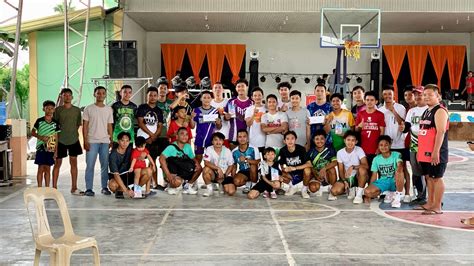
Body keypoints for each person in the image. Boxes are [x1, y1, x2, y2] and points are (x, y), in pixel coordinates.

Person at [416, 84, 449, 215]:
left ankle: (437, 206)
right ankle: (430, 203)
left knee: (437, 178)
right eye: (425, 94)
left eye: (430, 94)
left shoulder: (440, 110)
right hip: (425, 153)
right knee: (429, 177)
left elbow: (440, 132)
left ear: (438, 96)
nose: (426, 97)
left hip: (436, 153)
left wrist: (436, 152)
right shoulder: (427, 111)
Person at [378, 85, 410, 202]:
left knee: (402, 168)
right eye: (385, 94)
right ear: (382, 95)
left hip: (400, 143)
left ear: (393, 95)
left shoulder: (400, 107)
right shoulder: (380, 110)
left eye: (389, 94)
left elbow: (403, 123)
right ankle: (385, 191)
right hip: (386, 145)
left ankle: (406, 193)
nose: (387, 96)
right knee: (384, 168)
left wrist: (393, 111)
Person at [83, 86, 114, 196]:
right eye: (98, 93)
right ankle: (89, 188)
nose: (100, 95)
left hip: (105, 141)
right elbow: (85, 126)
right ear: (94, 94)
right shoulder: (88, 108)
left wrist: (111, 139)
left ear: (105, 95)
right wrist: (85, 140)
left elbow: (109, 125)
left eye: (103, 93)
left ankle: (104, 187)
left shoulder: (109, 109)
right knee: (90, 165)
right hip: (92, 141)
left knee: (104, 165)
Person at [52, 88, 83, 195]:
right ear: (62, 97)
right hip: (61, 141)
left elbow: (78, 124)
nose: (67, 97)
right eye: (65, 95)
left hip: (74, 139)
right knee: (57, 164)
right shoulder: (57, 110)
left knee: (73, 163)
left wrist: (72, 132)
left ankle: (74, 187)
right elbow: (55, 126)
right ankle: (54, 188)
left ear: (72, 97)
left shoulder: (77, 110)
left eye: (69, 95)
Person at [403, 86, 428, 206]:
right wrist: (403, 128)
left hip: (427, 145)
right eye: (416, 95)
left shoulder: (430, 109)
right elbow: (407, 127)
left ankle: (433, 197)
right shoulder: (411, 111)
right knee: (416, 171)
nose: (418, 97)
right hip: (414, 144)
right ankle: (420, 196)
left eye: (420, 94)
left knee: (429, 173)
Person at [364, 135, 405, 208]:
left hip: (395, 180)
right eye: (381, 145)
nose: (384, 147)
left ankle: (397, 197)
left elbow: (400, 165)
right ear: (378, 146)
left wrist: (397, 171)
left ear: (390, 145)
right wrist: (370, 190)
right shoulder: (376, 159)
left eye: (386, 145)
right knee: (367, 192)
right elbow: (374, 175)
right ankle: (389, 193)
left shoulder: (397, 154)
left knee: (399, 171)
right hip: (384, 181)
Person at [108, 132, 153, 199]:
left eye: (127, 141)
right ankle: (122, 190)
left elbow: (139, 152)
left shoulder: (130, 149)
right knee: (112, 185)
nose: (125, 143)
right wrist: (126, 191)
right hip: (119, 177)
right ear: (118, 141)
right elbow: (116, 175)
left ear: (129, 142)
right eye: (122, 140)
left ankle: (136, 190)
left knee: (149, 171)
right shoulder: (113, 155)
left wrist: (143, 154)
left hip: (130, 175)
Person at [159, 127, 202, 195]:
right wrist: (168, 174)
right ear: (177, 136)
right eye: (182, 134)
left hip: (183, 169)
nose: (184, 136)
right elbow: (161, 159)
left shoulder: (188, 146)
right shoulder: (171, 147)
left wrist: (197, 164)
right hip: (173, 171)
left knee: (199, 168)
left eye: (186, 134)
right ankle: (171, 186)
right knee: (177, 182)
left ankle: (188, 186)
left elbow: (193, 158)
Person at [136, 86, 164, 188]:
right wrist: (150, 135)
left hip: (154, 140)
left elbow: (160, 126)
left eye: (154, 95)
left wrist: (154, 136)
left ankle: (154, 184)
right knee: (139, 161)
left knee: (153, 161)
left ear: (157, 97)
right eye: (150, 95)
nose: (152, 97)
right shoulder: (142, 107)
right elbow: (140, 122)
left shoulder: (159, 110)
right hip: (142, 139)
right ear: (147, 96)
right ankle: (136, 184)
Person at [332, 130, 369, 204]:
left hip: (358, 176)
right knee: (334, 191)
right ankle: (351, 188)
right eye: (348, 140)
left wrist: (353, 167)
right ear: (344, 140)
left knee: (362, 169)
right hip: (347, 177)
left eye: (353, 140)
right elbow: (341, 170)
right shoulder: (340, 152)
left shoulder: (359, 150)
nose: (350, 142)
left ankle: (358, 195)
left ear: (356, 142)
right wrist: (344, 181)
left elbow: (366, 165)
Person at [31, 100, 60, 187]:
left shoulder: (55, 123)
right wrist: (40, 137)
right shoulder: (39, 121)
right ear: (43, 109)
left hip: (50, 148)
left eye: (51, 108)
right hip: (41, 148)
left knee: (48, 169)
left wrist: (56, 151)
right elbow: (32, 132)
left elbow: (56, 137)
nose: (49, 110)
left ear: (54, 110)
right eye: (47, 108)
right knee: (40, 168)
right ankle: (39, 188)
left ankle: (47, 188)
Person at [355, 91, 385, 168]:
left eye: (372, 100)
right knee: (364, 170)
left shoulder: (380, 114)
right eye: (367, 100)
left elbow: (382, 132)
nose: (369, 102)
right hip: (362, 148)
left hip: (375, 148)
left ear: (376, 101)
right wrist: (359, 127)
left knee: (375, 170)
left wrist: (379, 147)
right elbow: (356, 131)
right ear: (364, 101)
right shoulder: (360, 114)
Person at [278, 131, 313, 198]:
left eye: (292, 138)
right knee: (278, 173)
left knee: (308, 170)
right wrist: (285, 168)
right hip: (290, 174)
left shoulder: (301, 149)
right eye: (287, 139)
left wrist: (295, 168)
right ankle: (292, 187)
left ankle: (304, 190)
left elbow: (309, 164)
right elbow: (281, 165)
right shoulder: (282, 150)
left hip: (301, 173)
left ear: (295, 140)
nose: (290, 141)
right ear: (284, 141)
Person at [307, 130, 338, 200]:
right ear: (313, 140)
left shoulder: (330, 149)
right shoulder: (311, 151)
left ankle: (331, 190)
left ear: (325, 139)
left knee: (332, 169)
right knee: (313, 188)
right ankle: (320, 186)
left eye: (322, 138)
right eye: (317, 139)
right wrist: (315, 174)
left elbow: (335, 162)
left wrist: (324, 168)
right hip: (316, 175)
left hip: (327, 174)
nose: (319, 141)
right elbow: (309, 165)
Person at [154, 77, 174, 189]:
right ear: (157, 90)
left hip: (165, 136)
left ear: (167, 91)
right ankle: (154, 183)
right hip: (154, 136)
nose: (162, 90)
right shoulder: (153, 102)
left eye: (164, 88)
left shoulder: (171, 103)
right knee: (152, 160)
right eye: (160, 88)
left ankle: (166, 181)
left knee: (165, 160)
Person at [202, 132, 235, 197]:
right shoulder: (209, 149)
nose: (218, 142)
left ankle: (222, 184)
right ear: (212, 141)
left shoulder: (227, 150)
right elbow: (206, 162)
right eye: (215, 140)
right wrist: (218, 168)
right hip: (214, 174)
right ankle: (209, 189)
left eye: (220, 140)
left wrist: (225, 175)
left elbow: (231, 165)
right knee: (205, 169)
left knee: (230, 192)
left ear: (223, 141)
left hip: (225, 174)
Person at [193, 90, 222, 163]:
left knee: (211, 161)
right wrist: (191, 118)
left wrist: (218, 123)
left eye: (208, 97)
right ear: (201, 99)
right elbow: (192, 126)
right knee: (197, 161)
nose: (206, 99)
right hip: (199, 138)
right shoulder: (196, 110)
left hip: (211, 139)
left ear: (211, 99)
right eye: (204, 97)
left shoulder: (215, 111)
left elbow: (219, 127)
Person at [225, 78, 253, 147]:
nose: (240, 88)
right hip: (233, 135)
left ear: (247, 87)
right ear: (236, 88)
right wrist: (226, 117)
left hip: (248, 136)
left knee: (246, 157)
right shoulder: (231, 102)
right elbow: (225, 117)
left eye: (242, 86)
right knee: (233, 156)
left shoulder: (252, 103)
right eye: (238, 86)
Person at [231, 130, 261, 194]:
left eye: (244, 136)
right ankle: (248, 184)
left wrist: (246, 160)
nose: (242, 139)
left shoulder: (253, 148)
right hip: (243, 171)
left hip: (254, 171)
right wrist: (233, 181)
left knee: (252, 166)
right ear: (237, 138)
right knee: (236, 181)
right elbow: (234, 166)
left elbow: (258, 162)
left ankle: (253, 185)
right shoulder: (234, 151)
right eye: (240, 137)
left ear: (247, 138)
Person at [245, 87, 266, 154]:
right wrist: (253, 115)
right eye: (255, 95)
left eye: (259, 95)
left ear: (262, 96)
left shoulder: (267, 108)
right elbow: (248, 124)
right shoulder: (249, 109)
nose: (257, 97)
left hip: (266, 140)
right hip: (253, 140)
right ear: (252, 97)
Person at [211, 82, 231, 147]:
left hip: (226, 134)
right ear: (212, 90)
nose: (217, 89)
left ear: (223, 90)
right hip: (213, 134)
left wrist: (226, 116)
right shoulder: (209, 102)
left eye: (219, 87)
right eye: (215, 88)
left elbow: (232, 115)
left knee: (225, 155)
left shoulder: (228, 102)